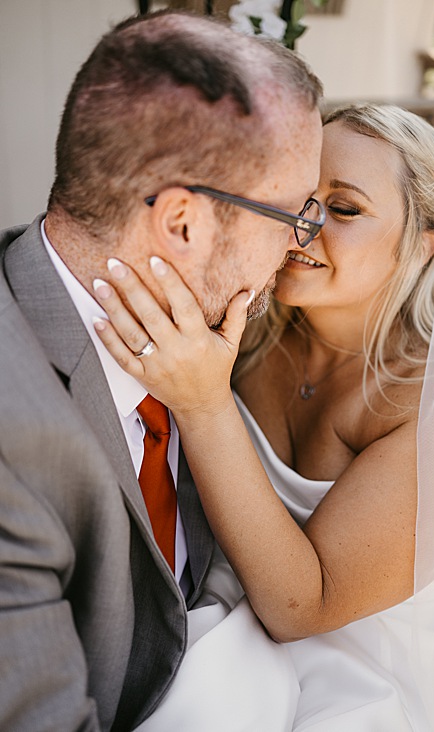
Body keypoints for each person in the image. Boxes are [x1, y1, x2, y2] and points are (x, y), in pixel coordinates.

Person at [91, 103, 434, 731]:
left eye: (344, 209)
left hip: (355, 672)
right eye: (300, 199)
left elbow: (303, 608)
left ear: (420, 247)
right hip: (211, 611)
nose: (302, 226)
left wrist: (204, 402)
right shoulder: (249, 322)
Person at [0, 11, 323, 731]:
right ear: (183, 224)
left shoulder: (220, 328)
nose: (300, 248)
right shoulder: (12, 447)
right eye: (293, 216)